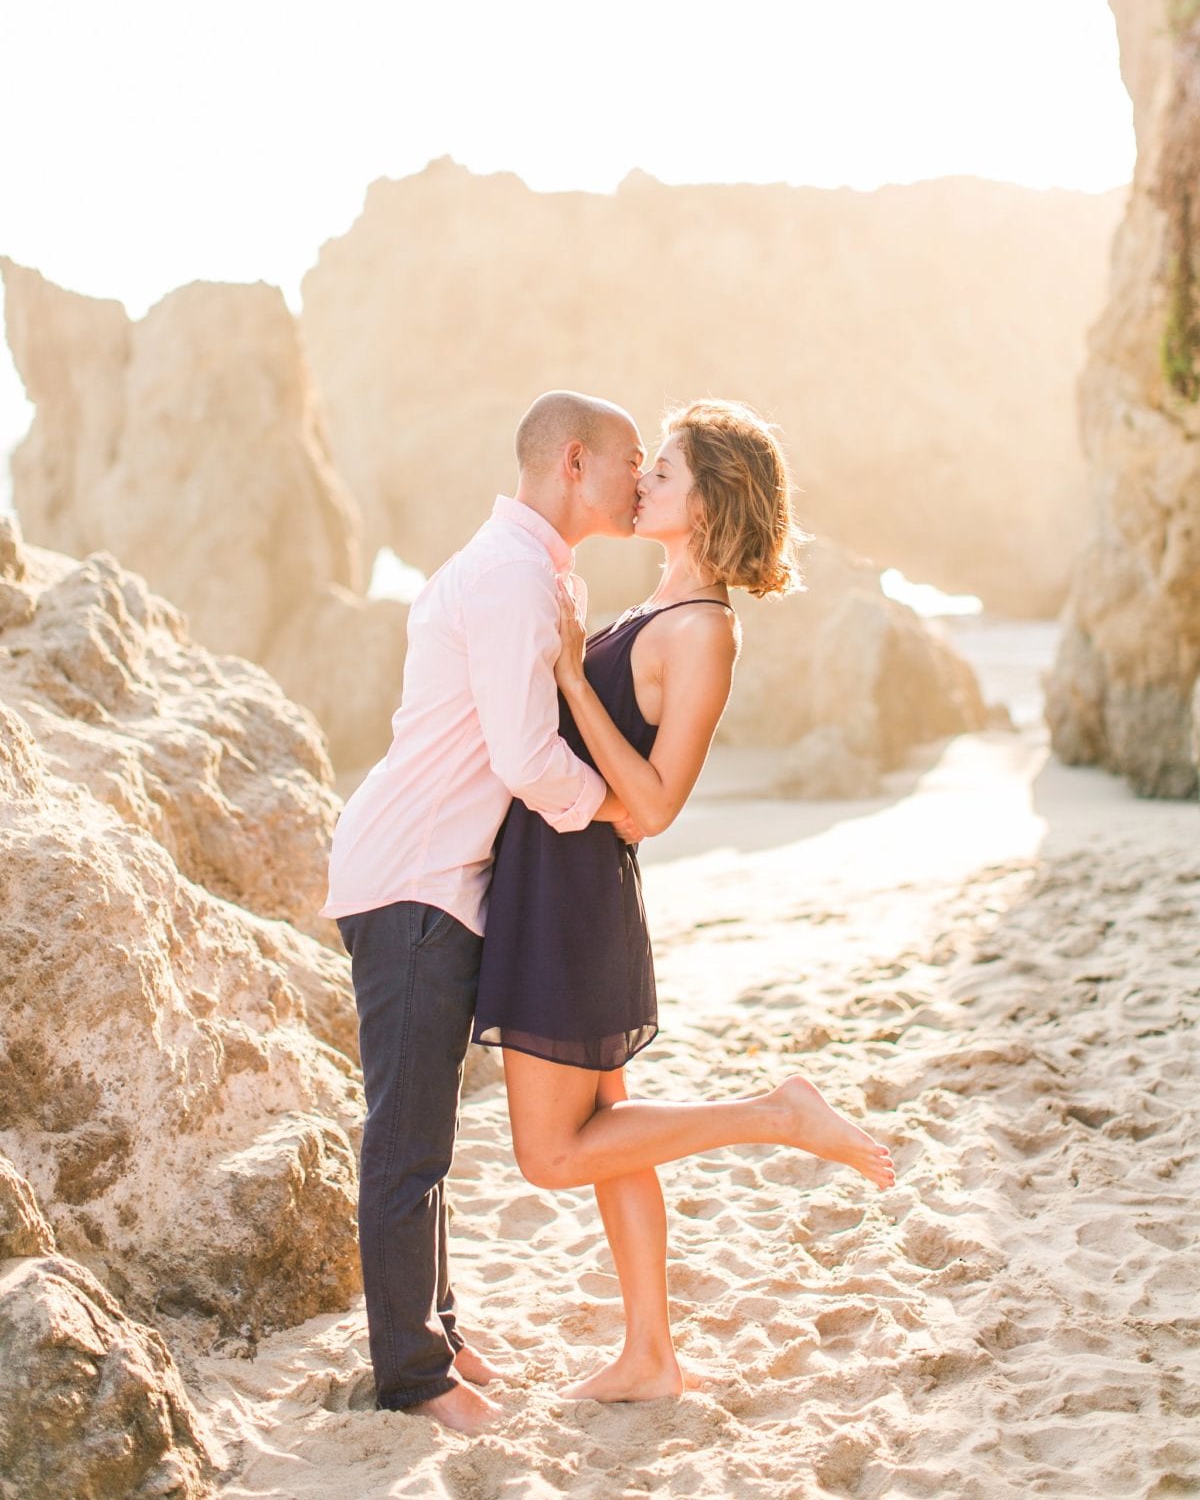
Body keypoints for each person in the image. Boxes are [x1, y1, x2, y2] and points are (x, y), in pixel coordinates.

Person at [473, 399, 895, 1403]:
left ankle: (774, 1114)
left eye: (664, 468)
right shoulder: (655, 605)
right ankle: (651, 1355)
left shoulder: (703, 631)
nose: (644, 480)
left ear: (709, 501)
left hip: (576, 899)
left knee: (551, 1153)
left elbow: (656, 804)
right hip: (557, 878)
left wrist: (573, 680)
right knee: (612, 1129)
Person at [321, 390, 647, 1434]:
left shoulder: (525, 569)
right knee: (407, 1139)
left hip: (432, 877)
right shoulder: (510, 576)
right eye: (630, 461)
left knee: (426, 1137)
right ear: (573, 462)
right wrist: (621, 813)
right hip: (413, 875)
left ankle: (438, 1333)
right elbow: (522, 758)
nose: (641, 481)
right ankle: (412, 1376)